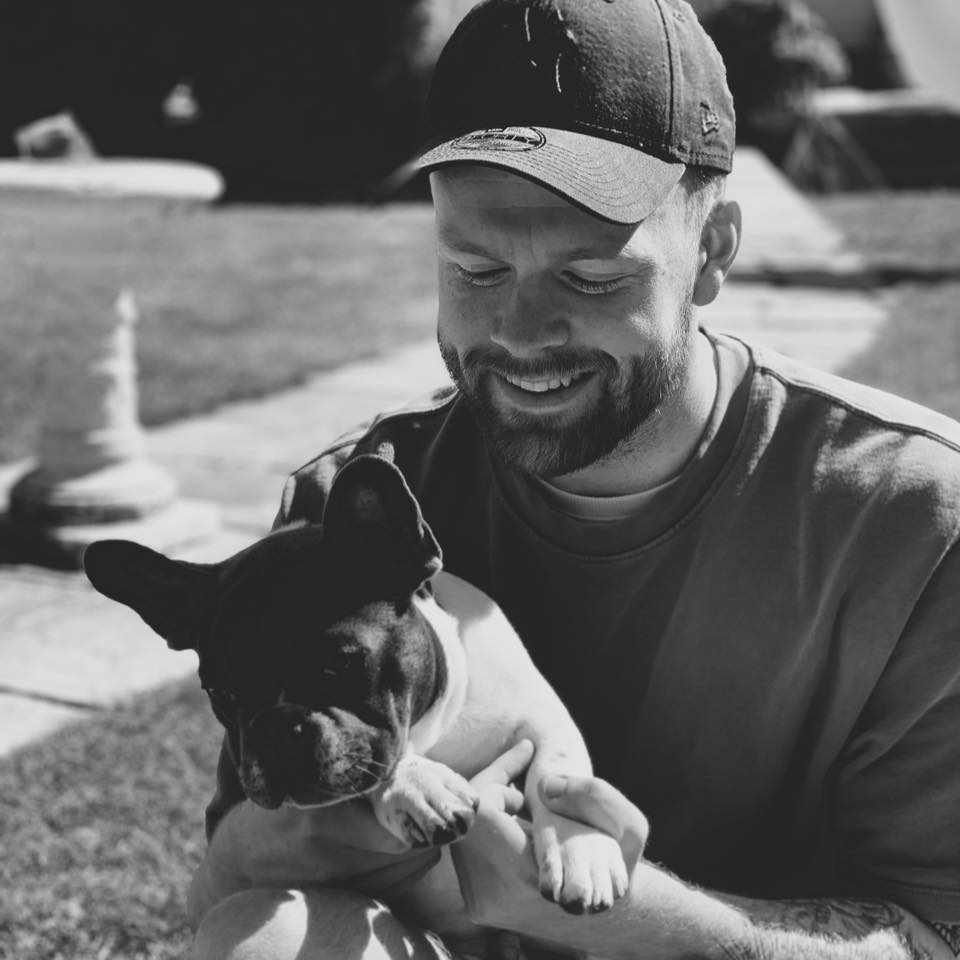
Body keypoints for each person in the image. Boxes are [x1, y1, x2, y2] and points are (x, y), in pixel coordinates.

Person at [188, 0, 960, 957]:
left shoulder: (914, 521)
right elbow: (226, 879)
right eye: (475, 270)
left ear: (713, 249)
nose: (519, 333)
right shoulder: (354, 509)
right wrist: (375, 802)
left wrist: (615, 914)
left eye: (591, 278)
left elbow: (939, 936)